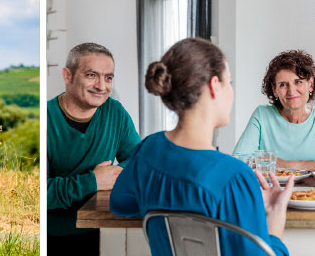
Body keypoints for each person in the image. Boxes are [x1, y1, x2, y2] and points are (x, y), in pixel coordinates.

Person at [111, 38, 291, 256]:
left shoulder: (147, 150)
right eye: (229, 82)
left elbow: (120, 204)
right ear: (215, 86)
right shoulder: (234, 177)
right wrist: (275, 222)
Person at [47, 42, 141, 254]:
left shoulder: (115, 112)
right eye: (91, 75)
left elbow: (138, 159)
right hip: (53, 236)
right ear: (68, 76)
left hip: (101, 232)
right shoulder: (45, 120)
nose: (102, 86)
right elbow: (39, 192)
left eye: (108, 77)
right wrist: (93, 181)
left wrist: (113, 174)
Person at [233, 50, 315, 171]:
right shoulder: (262, 115)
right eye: (283, 85)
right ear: (275, 90)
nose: (291, 91)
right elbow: (240, 159)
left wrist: (286, 165)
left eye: (298, 82)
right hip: (271, 188)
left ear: (310, 84)